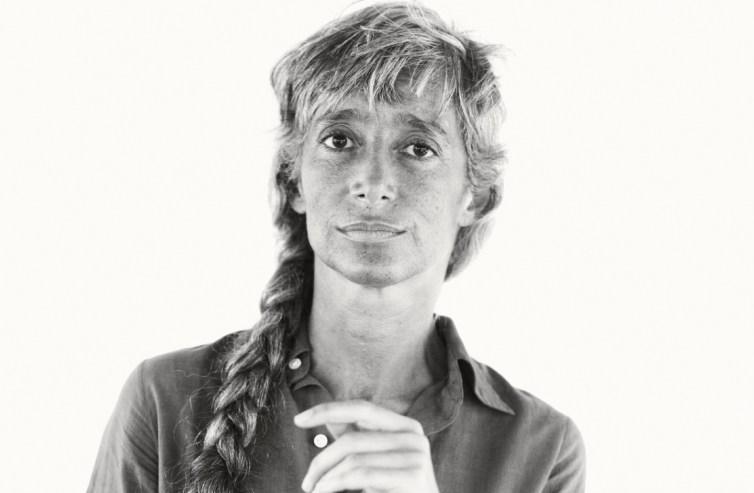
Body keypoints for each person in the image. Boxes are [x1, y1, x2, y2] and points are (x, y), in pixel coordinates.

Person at [88, 3, 586, 492]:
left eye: (418, 148)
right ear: (294, 181)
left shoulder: (540, 450)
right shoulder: (164, 401)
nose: (373, 184)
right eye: (340, 140)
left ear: (475, 196)